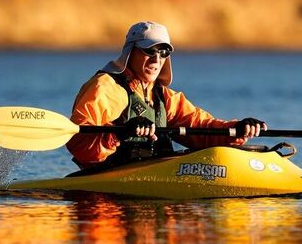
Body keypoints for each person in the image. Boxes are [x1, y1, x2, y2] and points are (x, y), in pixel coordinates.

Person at [67, 21, 266, 168]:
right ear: (131, 52)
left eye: (163, 53)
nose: (156, 59)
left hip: (156, 175)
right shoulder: (106, 88)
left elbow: (200, 127)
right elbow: (80, 143)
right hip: (109, 188)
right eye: (149, 51)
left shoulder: (163, 96)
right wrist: (121, 131)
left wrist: (236, 129)